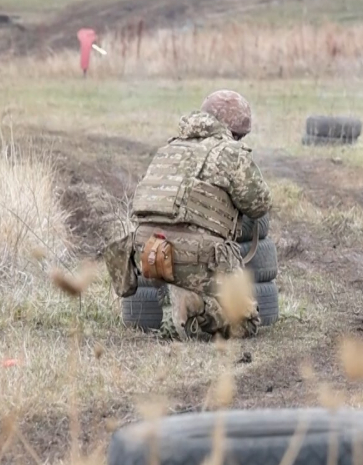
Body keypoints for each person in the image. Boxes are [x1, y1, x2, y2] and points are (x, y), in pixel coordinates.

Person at [111, 90, 271, 340]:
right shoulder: (230, 152)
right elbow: (259, 204)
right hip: (195, 254)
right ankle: (195, 305)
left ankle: (175, 309)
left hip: (148, 251)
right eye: (239, 135)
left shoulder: (169, 147)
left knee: (180, 266)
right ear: (233, 130)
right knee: (246, 323)